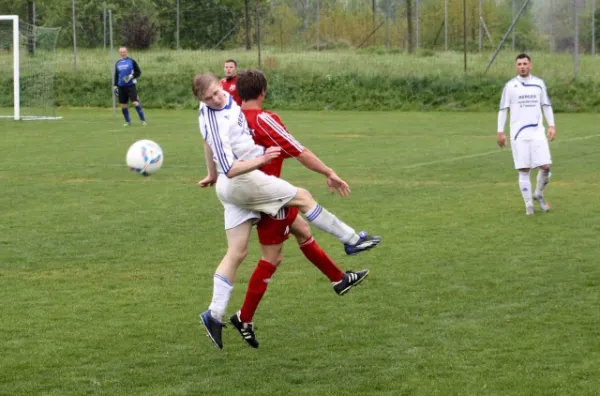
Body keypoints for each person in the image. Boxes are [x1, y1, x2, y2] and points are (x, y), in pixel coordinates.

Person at [192, 72, 380, 349]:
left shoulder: (217, 106)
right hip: (245, 183)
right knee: (298, 206)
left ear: (227, 87)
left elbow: (208, 144)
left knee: (240, 251)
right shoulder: (250, 119)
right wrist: (263, 159)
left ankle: (215, 313)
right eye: (209, 98)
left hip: (232, 187)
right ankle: (352, 240)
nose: (217, 99)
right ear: (264, 91)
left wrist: (210, 173)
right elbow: (237, 167)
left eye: (218, 92)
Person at [497, 53, 556, 216]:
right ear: (516, 67)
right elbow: (503, 109)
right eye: (519, 64)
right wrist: (500, 130)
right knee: (524, 169)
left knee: (545, 167)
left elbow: (546, 105)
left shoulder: (539, 84)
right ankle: (529, 205)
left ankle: (538, 193)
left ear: (530, 65)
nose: (522, 66)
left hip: (537, 133)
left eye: (525, 63)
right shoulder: (510, 86)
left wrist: (551, 125)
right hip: (519, 134)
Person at [113, 47, 147, 126]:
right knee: (123, 105)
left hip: (130, 86)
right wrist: (115, 86)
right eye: (121, 52)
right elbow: (116, 75)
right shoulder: (118, 63)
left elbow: (138, 72)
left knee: (135, 103)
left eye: (124, 52)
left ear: (126, 52)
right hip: (121, 87)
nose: (122, 53)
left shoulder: (131, 61)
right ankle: (128, 122)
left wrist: (131, 76)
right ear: (119, 53)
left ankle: (143, 120)